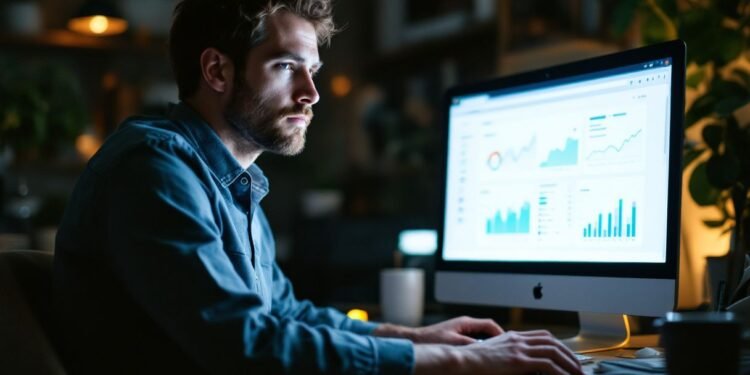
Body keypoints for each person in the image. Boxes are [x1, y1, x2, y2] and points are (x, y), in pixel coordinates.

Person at [53, 1, 584, 374]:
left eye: (314, 71)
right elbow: (247, 346)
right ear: (217, 69)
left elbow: (286, 315)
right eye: (286, 67)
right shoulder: (154, 168)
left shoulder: (232, 182)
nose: (311, 94)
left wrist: (421, 337)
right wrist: (463, 360)